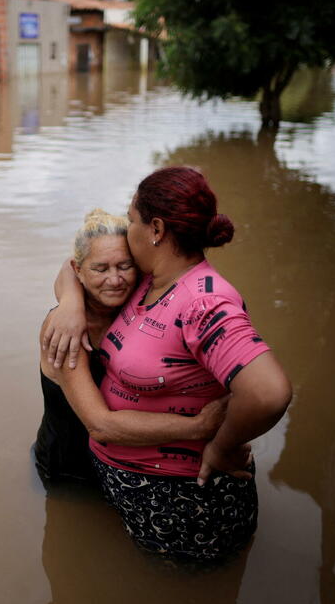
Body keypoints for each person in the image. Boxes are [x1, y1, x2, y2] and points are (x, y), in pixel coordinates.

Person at [42, 168, 291, 563]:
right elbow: (81, 262)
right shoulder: (148, 278)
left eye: (133, 221)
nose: (127, 232)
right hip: (124, 491)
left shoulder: (203, 302)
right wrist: (71, 302)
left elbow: (268, 392)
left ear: (155, 229)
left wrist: (221, 444)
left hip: (182, 507)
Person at [35, 209, 229, 487]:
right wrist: (201, 426)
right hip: (70, 468)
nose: (114, 280)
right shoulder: (64, 329)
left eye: (124, 266)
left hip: (133, 467)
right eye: (100, 269)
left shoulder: (139, 300)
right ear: (79, 271)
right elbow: (100, 425)